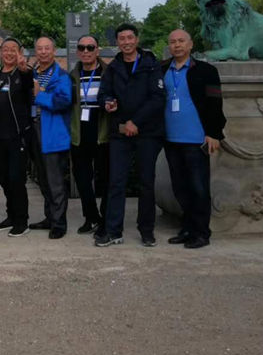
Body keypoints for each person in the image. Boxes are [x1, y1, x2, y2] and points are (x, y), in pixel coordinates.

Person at [95, 24, 165, 248]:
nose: (126, 42)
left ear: (137, 39)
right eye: (122, 38)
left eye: (129, 37)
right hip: (120, 132)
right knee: (116, 182)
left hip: (147, 133)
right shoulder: (113, 67)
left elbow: (157, 98)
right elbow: (103, 94)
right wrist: (107, 102)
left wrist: (136, 122)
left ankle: (147, 230)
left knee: (146, 182)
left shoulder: (151, 64)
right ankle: (113, 230)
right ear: (117, 42)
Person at [161, 29, 226, 249]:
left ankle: (201, 232)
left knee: (198, 188)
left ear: (190, 45)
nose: (177, 45)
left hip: (196, 139)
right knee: (180, 188)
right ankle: (188, 228)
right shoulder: (162, 70)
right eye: (173, 42)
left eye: (181, 41)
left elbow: (215, 103)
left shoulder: (206, 71)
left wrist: (214, 132)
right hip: (171, 138)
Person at [28, 36, 73, 240]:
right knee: (43, 180)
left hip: (53, 133)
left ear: (54, 51)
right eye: (40, 48)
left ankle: (59, 223)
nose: (43, 52)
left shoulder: (61, 75)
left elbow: (64, 101)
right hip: (35, 130)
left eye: (47, 48)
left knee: (56, 182)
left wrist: (40, 95)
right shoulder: (33, 73)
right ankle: (49, 217)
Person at [0, 37, 33, 237]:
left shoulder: (22, 73)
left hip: (18, 136)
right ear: (0, 52)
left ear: (19, 52)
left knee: (16, 179)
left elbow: (28, 86)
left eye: (13, 49)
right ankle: (11, 215)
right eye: (5, 49)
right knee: (4, 179)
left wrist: (24, 70)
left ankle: (22, 220)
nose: (8, 53)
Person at [69, 34, 109, 234]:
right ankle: (91, 217)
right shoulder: (72, 76)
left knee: (107, 179)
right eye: (82, 48)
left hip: (102, 132)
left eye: (90, 47)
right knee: (83, 179)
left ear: (97, 50)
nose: (86, 51)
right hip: (80, 132)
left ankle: (107, 218)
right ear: (78, 51)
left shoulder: (108, 73)